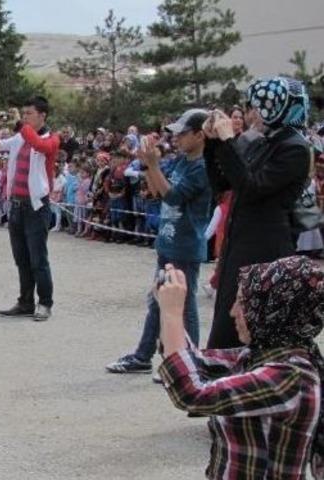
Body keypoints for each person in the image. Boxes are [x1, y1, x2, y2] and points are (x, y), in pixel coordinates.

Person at [155, 256, 324, 479]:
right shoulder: (263, 354)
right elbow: (194, 361)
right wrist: (167, 304)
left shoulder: (291, 376)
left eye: (242, 303)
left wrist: (173, 314)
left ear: (272, 310)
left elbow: (191, 393)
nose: (233, 312)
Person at [204, 77, 312, 349]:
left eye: (258, 107)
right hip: (240, 245)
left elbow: (251, 188)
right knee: (226, 324)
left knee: (244, 330)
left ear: (279, 108)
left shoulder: (294, 148)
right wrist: (213, 144)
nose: (252, 115)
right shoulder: (264, 141)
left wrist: (229, 142)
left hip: (264, 252)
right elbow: (224, 184)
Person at [105, 110, 212, 374]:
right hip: (168, 242)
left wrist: (152, 165)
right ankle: (144, 356)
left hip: (185, 245)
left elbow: (174, 197)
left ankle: (189, 362)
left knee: (184, 305)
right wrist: (146, 163)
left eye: (183, 133)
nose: (176, 139)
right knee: (158, 300)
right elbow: (157, 192)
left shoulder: (202, 167)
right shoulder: (182, 161)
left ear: (200, 135)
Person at [0, 97, 60, 322]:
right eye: (24, 114)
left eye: (29, 113)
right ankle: (25, 301)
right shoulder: (22, 136)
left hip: (36, 207)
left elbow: (40, 146)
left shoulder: (52, 138)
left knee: (38, 259)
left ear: (42, 116)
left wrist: (21, 126)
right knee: (21, 258)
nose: (25, 117)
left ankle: (45, 303)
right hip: (17, 205)